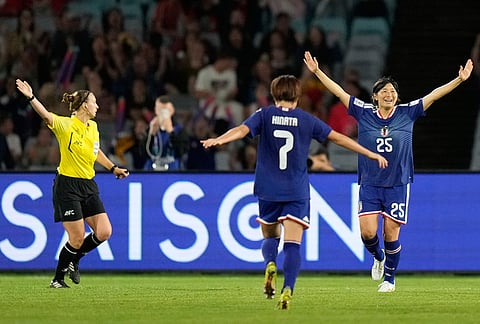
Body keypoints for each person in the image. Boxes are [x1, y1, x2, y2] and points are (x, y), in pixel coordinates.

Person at [201, 74, 387, 309]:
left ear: (274, 94)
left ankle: (270, 263)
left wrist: (219, 140)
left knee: (270, 237)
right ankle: (288, 287)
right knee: (292, 245)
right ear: (298, 96)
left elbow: (240, 130)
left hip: (268, 188)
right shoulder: (306, 119)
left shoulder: (265, 114)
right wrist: (369, 153)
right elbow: (338, 138)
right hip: (296, 190)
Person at [304, 51, 473, 292]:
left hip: (398, 183)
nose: (389, 94)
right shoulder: (363, 112)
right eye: (384, 91)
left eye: (392, 91)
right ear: (375, 96)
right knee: (367, 233)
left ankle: (390, 279)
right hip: (370, 182)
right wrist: (317, 72)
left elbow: (434, 95)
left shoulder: (407, 112)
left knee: (391, 233)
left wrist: (459, 80)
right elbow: (340, 92)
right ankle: (378, 257)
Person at [15, 79, 130, 288]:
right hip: (67, 186)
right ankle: (57, 279)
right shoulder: (66, 125)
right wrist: (31, 97)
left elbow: (95, 152)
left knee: (104, 231)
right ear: (84, 105)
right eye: (94, 102)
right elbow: (46, 115)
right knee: (76, 238)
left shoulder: (93, 127)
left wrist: (113, 168)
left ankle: (74, 260)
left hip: (88, 184)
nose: (98, 106)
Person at [144, 95, 189, 171]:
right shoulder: (151, 128)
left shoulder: (179, 130)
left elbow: (181, 152)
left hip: (173, 171)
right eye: (160, 110)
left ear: (172, 110)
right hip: (151, 171)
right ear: (155, 110)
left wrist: (171, 132)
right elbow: (143, 153)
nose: (162, 113)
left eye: (165, 110)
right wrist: (151, 135)